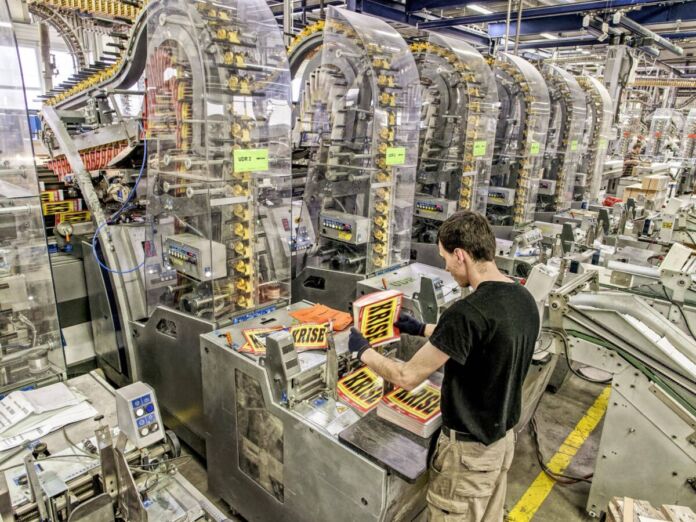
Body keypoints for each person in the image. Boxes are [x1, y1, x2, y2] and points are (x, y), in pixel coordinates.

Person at [348, 210, 540, 522]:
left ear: (461, 255)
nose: (446, 267)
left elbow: (406, 376)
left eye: (445, 258)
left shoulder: (467, 312)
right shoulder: (522, 297)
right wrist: (419, 327)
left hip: (467, 457)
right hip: (501, 444)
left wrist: (363, 352)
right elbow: (483, 337)